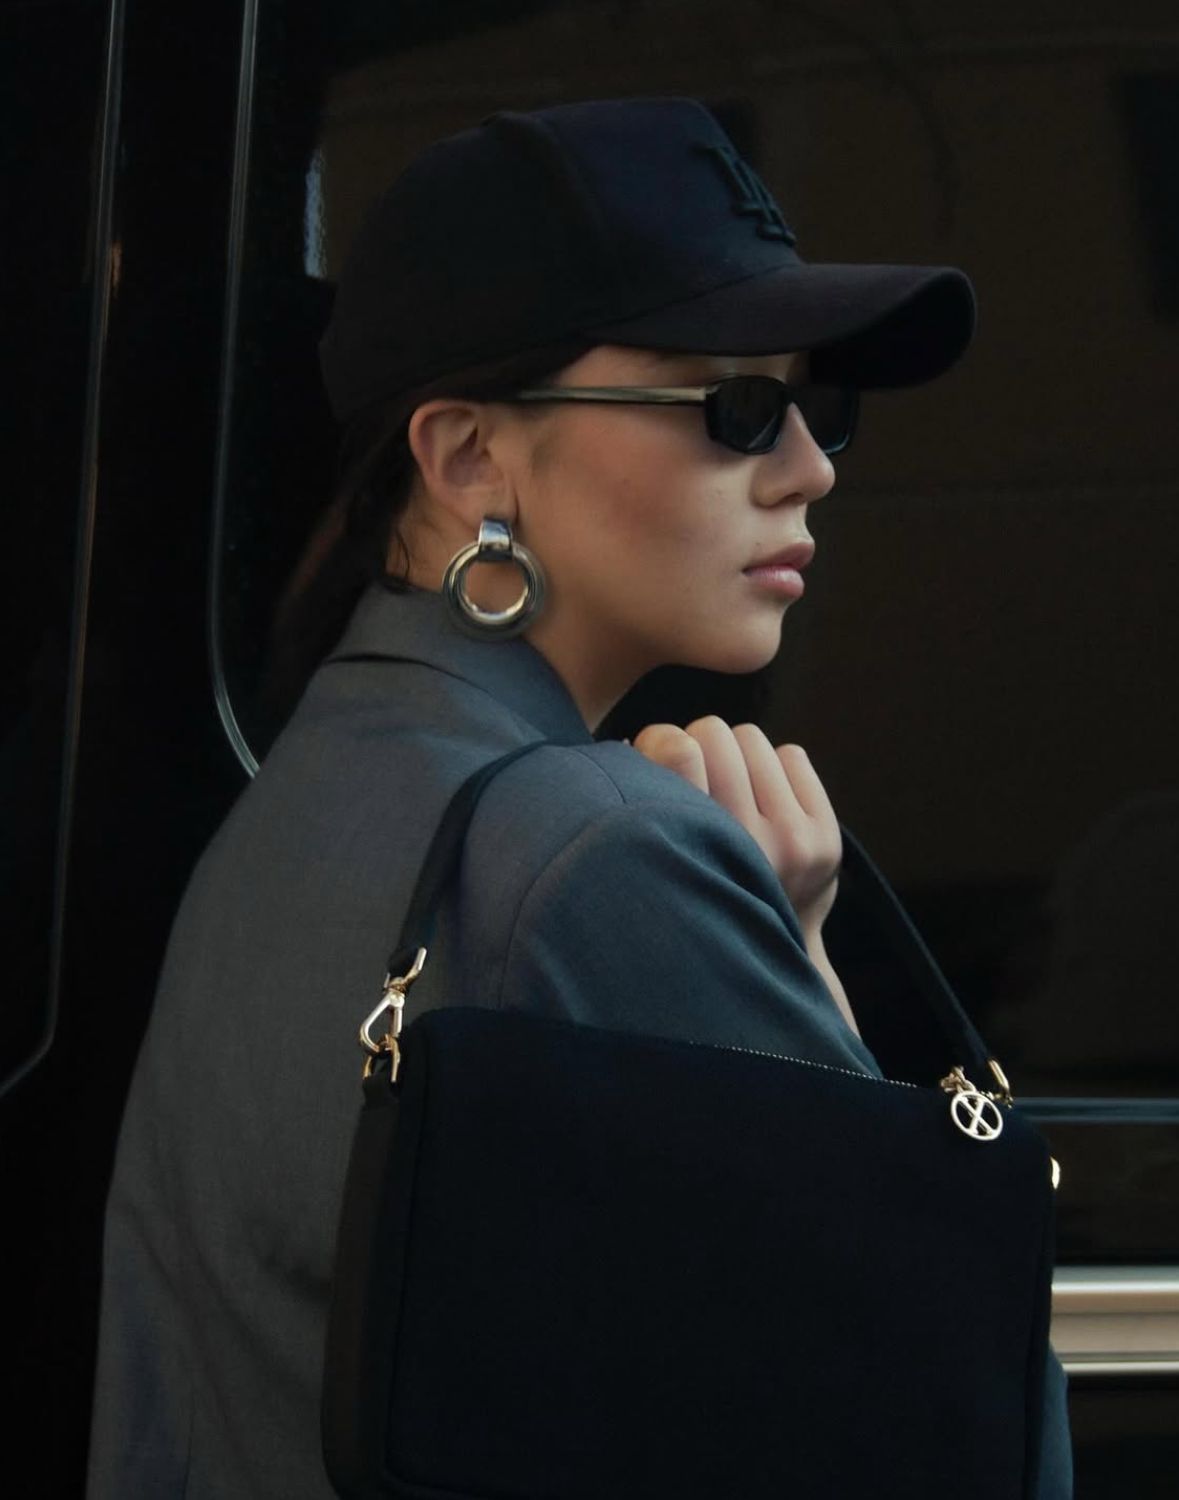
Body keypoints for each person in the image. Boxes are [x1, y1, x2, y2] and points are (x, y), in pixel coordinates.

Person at [86, 97, 1073, 1496]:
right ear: (467, 456)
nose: (809, 468)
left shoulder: (311, 778)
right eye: (737, 407)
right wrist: (798, 960)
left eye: (818, 406)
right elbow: (945, 1437)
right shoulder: (603, 854)